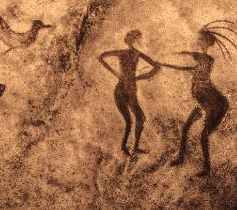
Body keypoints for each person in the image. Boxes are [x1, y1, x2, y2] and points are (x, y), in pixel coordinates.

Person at [159, 20, 235, 176]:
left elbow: (189, 62)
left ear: (207, 42)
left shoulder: (204, 59)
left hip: (209, 100)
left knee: (202, 135)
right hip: (205, 98)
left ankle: (206, 168)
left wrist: (166, 59)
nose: (198, 41)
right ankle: (181, 158)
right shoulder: (203, 60)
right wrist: (167, 61)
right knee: (187, 128)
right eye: (199, 39)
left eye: (201, 39)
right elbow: (189, 66)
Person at [98, 30, 161, 158]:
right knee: (137, 119)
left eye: (134, 39)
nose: (133, 41)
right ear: (130, 41)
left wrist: (119, 74)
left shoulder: (128, 53)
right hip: (126, 89)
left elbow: (101, 57)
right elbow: (156, 67)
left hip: (123, 89)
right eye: (133, 39)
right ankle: (132, 147)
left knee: (132, 121)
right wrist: (142, 76)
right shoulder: (133, 53)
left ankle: (126, 146)